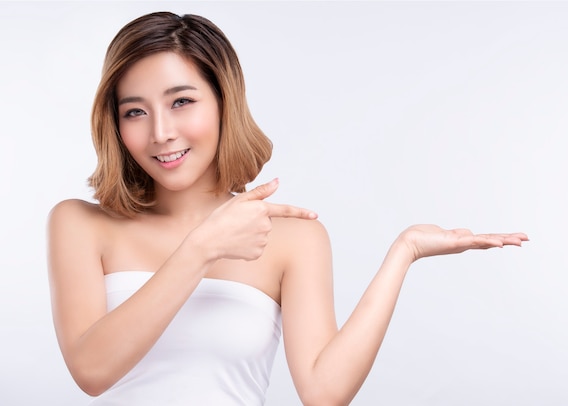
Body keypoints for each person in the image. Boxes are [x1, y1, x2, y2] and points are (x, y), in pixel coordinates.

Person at [47, 11, 528, 406]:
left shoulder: (291, 239)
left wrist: (405, 252)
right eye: (135, 111)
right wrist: (201, 250)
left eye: (182, 102)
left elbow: (323, 392)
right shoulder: (80, 224)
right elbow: (92, 371)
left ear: (223, 103)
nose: (160, 132)